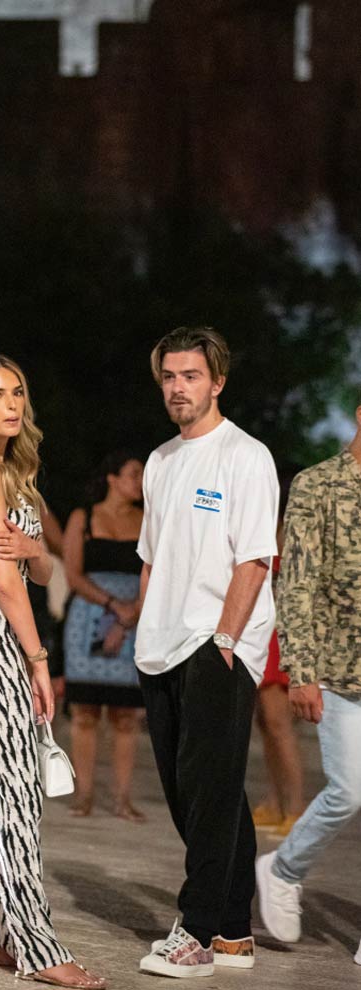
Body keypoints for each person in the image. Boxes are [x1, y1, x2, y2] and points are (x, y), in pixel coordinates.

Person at [0, 354, 106, 989]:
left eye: (17, 392)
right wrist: (38, 659)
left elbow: (40, 566)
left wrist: (36, 548)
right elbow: (6, 583)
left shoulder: (6, 470)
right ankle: (37, 945)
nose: (11, 404)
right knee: (15, 791)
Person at [135, 327, 278, 978]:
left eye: (190, 376)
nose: (178, 387)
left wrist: (225, 640)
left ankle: (194, 933)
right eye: (169, 376)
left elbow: (255, 558)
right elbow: (151, 558)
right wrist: (145, 632)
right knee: (193, 792)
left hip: (217, 643)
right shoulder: (160, 460)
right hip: (161, 646)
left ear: (217, 382)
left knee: (209, 790)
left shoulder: (246, 456)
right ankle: (233, 931)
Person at [256, 405, 361, 957]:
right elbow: (296, 583)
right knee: (348, 791)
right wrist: (301, 670)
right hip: (338, 666)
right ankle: (284, 869)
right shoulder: (318, 484)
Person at [62, 451, 145, 821]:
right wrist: (111, 604)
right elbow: (73, 574)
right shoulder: (83, 517)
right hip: (88, 618)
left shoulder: (148, 520)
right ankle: (84, 795)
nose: (140, 481)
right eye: (133, 474)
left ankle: (122, 798)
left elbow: (157, 571)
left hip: (133, 619)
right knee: (85, 712)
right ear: (112, 478)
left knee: (126, 715)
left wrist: (131, 613)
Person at [252, 472, 305, 837]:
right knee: (265, 723)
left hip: (280, 633)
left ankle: (297, 808)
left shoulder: (294, 531)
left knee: (279, 723)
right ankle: (275, 801)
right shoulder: (264, 525)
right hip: (259, 628)